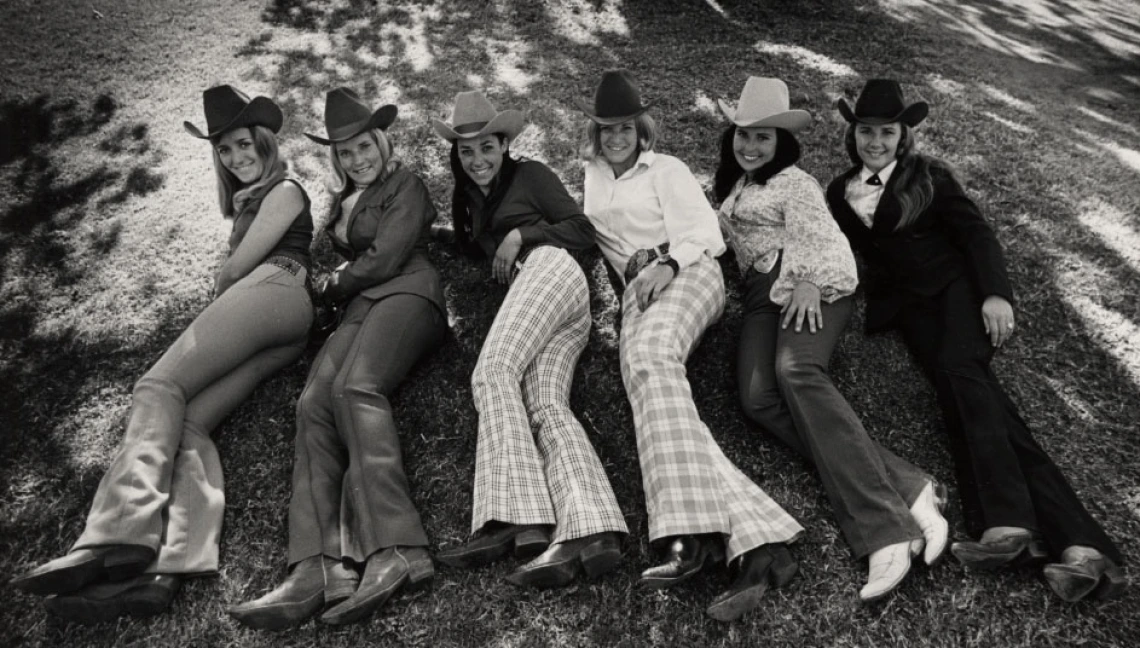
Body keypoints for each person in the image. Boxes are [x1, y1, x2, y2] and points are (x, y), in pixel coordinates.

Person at [11, 85, 315, 622]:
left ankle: (114, 533)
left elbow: (235, 272)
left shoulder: (286, 188)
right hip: (285, 326)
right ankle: (164, 571)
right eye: (224, 150)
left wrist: (222, 280)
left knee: (157, 386)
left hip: (277, 289)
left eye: (244, 144)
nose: (237, 156)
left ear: (265, 142)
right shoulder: (250, 202)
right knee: (189, 422)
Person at [825, 78, 1126, 603]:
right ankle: (1083, 550)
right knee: (967, 398)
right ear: (854, 134)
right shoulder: (839, 190)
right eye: (866, 131)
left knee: (963, 374)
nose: (875, 141)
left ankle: (1007, 525)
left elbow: (977, 235)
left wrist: (996, 295)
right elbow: (846, 250)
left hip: (959, 293)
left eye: (886, 132)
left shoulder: (930, 177)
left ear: (903, 135)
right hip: (911, 310)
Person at [712, 76, 949, 603]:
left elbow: (823, 238)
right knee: (758, 398)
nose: (751, 146)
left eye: (764, 137)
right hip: (759, 298)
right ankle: (909, 486)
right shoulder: (735, 186)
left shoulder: (795, 182)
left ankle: (884, 530)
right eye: (743, 136)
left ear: (783, 143)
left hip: (810, 284)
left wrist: (811, 283)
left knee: (797, 371)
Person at [577, 70, 802, 622]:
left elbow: (708, 233)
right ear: (596, 133)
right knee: (653, 386)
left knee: (649, 363)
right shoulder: (589, 177)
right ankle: (759, 542)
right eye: (606, 129)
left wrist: (669, 263)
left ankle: (688, 534)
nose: (616, 138)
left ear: (640, 128)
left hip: (687, 272)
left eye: (625, 127)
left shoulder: (667, 169)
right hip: (638, 297)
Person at [227, 88, 448, 630]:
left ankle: (397, 547)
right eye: (344, 153)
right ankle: (318, 564)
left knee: (356, 389)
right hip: (357, 312)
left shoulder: (406, 184)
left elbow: (387, 258)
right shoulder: (342, 202)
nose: (357, 159)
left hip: (407, 293)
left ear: (381, 142)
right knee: (314, 405)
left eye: (363, 146)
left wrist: (331, 283)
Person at [430, 90, 627, 589]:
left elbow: (583, 229)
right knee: (544, 403)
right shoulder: (468, 199)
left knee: (492, 370)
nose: (477, 160)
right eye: (466, 151)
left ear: (504, 145)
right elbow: (471, 245)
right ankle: (591, 530)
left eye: (487, 147)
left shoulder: (531, 175)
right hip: (550, 307)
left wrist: (524, 237)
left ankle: (514, 517)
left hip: (552, 271)